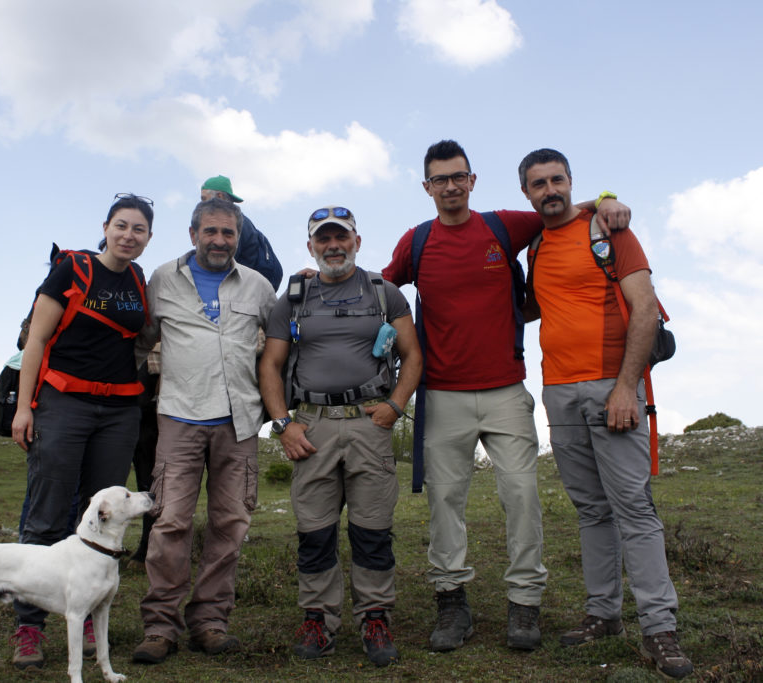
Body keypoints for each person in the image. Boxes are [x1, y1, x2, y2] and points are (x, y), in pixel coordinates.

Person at [382, 140, 632, 653]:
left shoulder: (504, 226)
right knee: (444, 504)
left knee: (521, 498)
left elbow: (556, 207)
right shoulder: (419, 241)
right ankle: (452, 604)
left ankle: (525, 604)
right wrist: (318, 279)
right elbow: (381, 288)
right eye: (439, 179)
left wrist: (605, 198)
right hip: (444, 394)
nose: (450, 186)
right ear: (426, 187)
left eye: (459, 177)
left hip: (505, 392)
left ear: (473, 181)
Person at [518, 148, 692, 679]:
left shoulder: (610, 230)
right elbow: (532, 307)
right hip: (559, 393)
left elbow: (644, 308)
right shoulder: (535, 246)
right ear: (526, 193)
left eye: (557, 179)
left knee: (634, 508)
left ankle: (659, 627)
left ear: (571, 181)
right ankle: (603, 614)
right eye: (538, 184)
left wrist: (624, 388)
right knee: (591, 510)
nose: (550, 190)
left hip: (611, 389)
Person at [259, 206, 422, 667]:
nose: (333, 246)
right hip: (311, 425)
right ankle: (318, 620)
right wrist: (282, 424)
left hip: (370, 422)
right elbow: (270, 365)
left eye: (341, 237)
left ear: (357, 241)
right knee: (314, 530)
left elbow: (412, 355)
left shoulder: (384, 292)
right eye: (323, 239)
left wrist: (394, 407)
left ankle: (375, 617)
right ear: (311, 245)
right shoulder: (292, 298)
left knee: (373, 529)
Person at [8, 193, 153, 670]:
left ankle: (87, 612)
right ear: (106, 227)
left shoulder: (138, 282)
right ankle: (29, 625)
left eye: (139, 230)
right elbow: (37, 341)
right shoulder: (71, 268)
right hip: (64, 403)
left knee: (103, 516)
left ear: (148, 237)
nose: (129, 236)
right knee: (48, 514)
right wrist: (26, 408)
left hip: (118, 411)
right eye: (122, 226)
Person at [132, 197, 276, 664]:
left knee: (229, 525)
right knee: (170, 522)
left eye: (228, 233)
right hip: (179, 417)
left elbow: (281, 340)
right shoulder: (161, 281)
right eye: (210, 232)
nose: (219, 241)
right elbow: (141, 340)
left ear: (238, 237)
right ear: (193, 233)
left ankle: (210, 621)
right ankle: (160, 627)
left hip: (239, 423)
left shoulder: (257, 286)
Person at [201, 174, 283, 290]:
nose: (201, 205)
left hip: (246, 289)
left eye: (204, 199)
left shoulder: (235, 225)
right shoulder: (241, 221)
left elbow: (223, 266)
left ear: (219, 196)